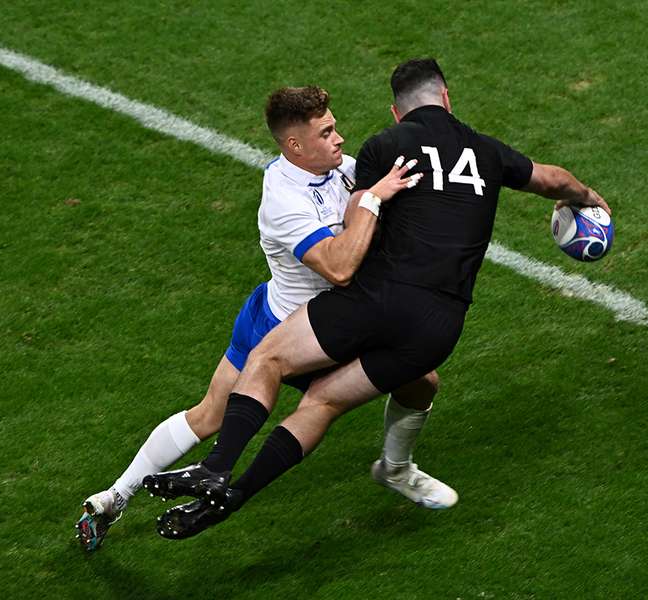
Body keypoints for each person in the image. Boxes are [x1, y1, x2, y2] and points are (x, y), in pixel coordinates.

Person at [149, 58, 611, 539]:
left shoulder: (387, 148)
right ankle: (238, 497)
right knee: (337, 399)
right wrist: (583, 197)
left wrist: (372, 200)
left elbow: (351, 237)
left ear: (397, 112)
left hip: (379, 301)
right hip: (440, 326)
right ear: (447, 97)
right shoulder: (488, 152)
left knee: (268, 357)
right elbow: (552, 179)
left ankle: (218, 468)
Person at [75, 85, 454, 552]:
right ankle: (116, 496)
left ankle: (396, 468)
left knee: (421, 382)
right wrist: (374, 201)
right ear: (295, 145)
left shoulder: (342, 169)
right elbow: (338, 268)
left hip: (316, 316)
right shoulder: (283, 200)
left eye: (334, 126)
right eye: (326, 132)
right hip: (291, 329)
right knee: (211, 414)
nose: (339, 139)